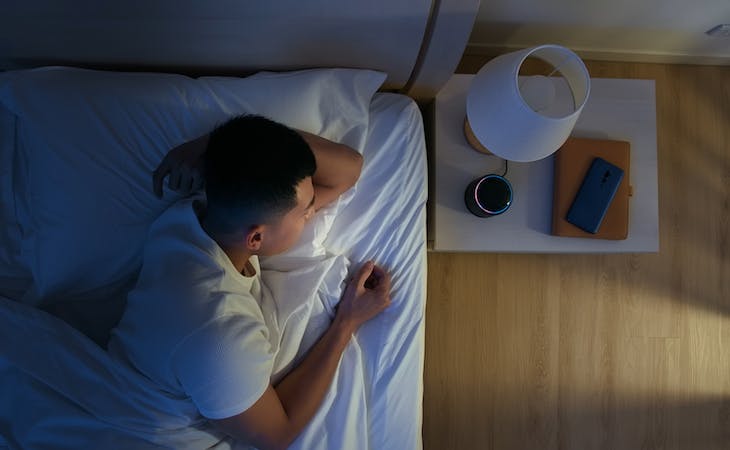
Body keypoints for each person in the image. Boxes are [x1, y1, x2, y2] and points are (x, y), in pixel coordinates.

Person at [108, 115, 392, 450]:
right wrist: (347, 321)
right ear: (256, 238)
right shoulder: (219, 332)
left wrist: (215, 147)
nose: (311, 212)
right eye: (304, 212)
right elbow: (277, 435)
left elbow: (348, 169)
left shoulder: (190, 216)